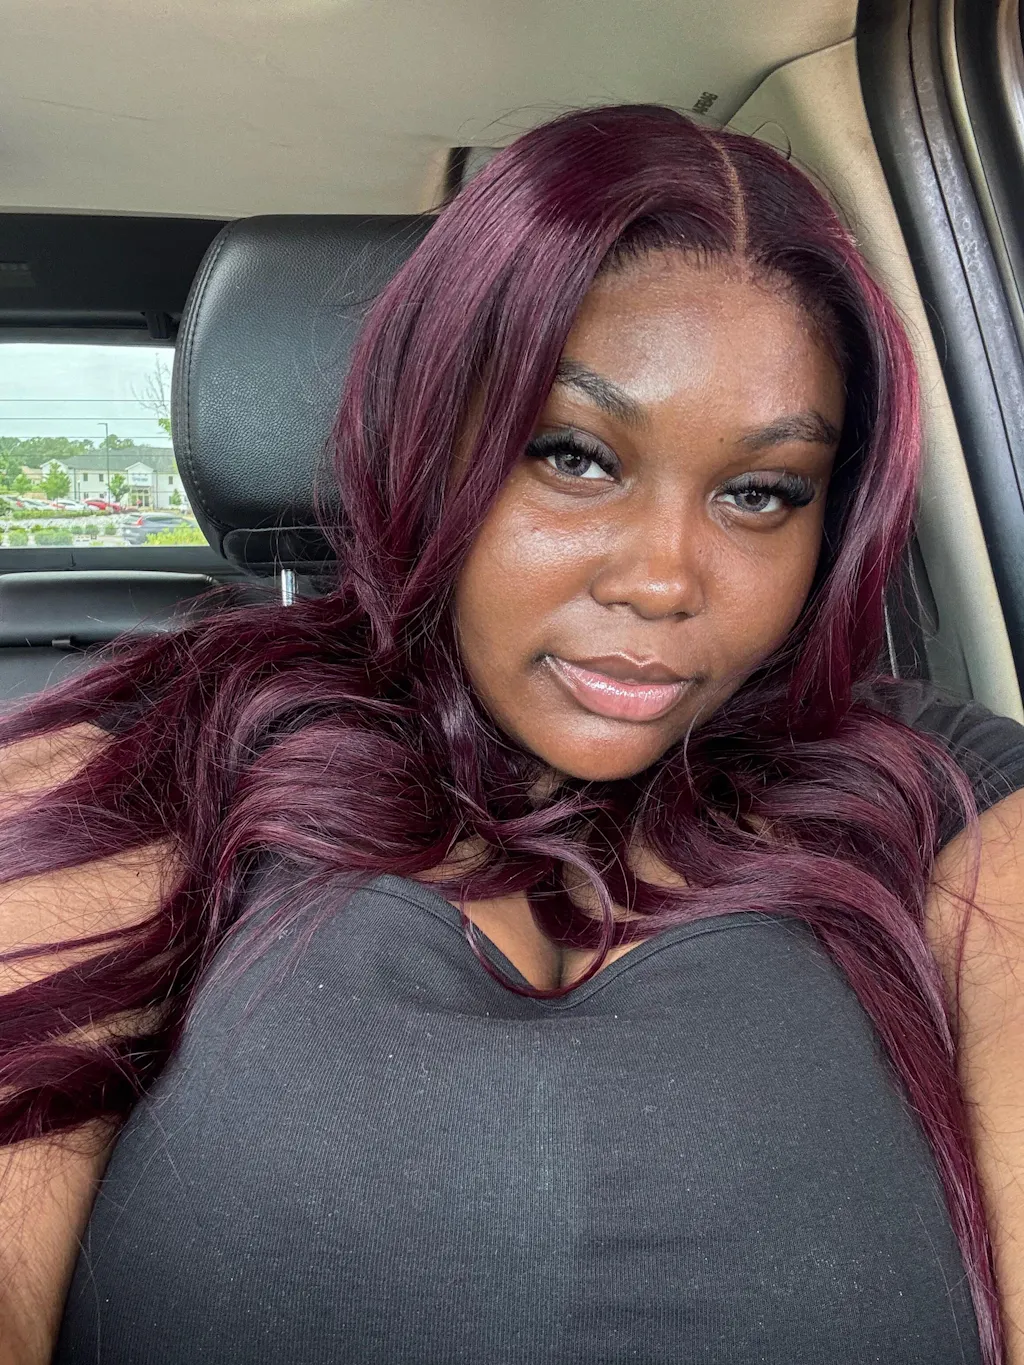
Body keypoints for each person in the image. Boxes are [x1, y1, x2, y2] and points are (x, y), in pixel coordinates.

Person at [2, 104, 1024, 1365]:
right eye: (573, 456)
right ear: (431, 441)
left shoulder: (944, 793)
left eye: (760, 492)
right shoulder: (166, 754)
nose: (663, 580)